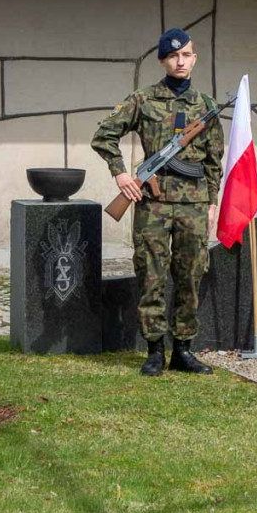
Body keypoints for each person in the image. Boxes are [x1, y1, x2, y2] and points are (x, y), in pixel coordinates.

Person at [92, 28, 225, 376]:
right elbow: (103, 135)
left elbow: (214, 160)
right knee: (150, 275)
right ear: (163, 60)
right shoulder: (143, 99)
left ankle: (183, 350)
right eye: (174, 56)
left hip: (194, 205)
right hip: (152, 204)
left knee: (191, 276)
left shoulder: (207, 106)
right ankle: (154, 351)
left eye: (187, 55)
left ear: (195, 58)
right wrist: (121, 173)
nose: (181, 61)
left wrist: (212, 202)